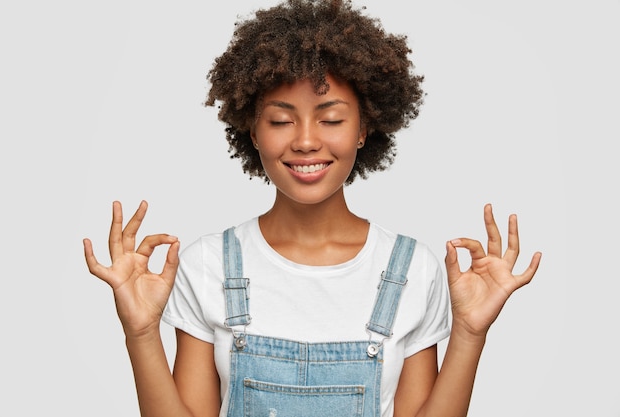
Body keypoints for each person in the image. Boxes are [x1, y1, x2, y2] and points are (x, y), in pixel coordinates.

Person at [83, 0, 542, 416]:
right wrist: (141, 333)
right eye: (281, 120)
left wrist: (469, 333)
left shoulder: (412, 269)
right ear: (253, 131)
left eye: (332, 119)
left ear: (364, 129)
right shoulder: (207, 265)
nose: (305, 140)